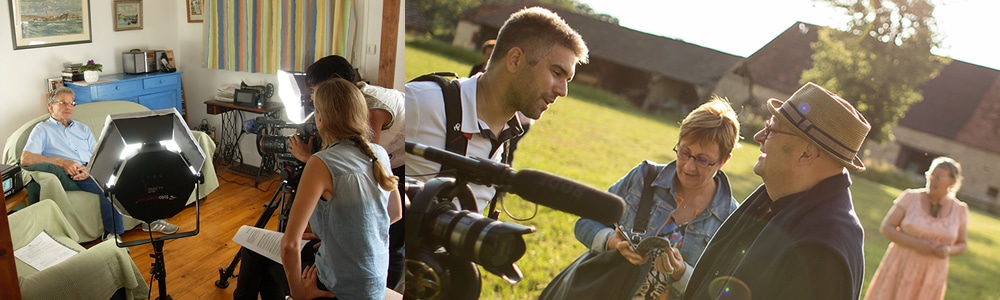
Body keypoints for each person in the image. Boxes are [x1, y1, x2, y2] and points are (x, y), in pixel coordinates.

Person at [685, 82, 871, 299]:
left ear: (807, 153)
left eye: (771, 129)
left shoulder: (821, 250)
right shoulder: (776, 199)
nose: (759, 136)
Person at [406, 6, 589, 212]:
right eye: (556, 72)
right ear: (515, 60)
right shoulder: (422, 101)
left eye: (568, 80)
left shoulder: (504, 137)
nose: (563, 91)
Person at [570, 96, 740, 299]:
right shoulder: (644, 177)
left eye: (703, 160)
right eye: (684, 152)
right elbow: (585, 223)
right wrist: (612, 242)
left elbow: (722, 290)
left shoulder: (731, 217)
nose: (688, 166)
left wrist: (681, 273)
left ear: (723, 161)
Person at [287, 54, 406, 289]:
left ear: (320, 118)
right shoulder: (378, 153)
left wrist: (300, 294)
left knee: (258, 258)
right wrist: (341, 239)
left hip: (340, 286)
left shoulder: (321, 162)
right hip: (373, 284)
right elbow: (395, 213)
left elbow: (289, 245)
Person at [21, 87, 179, 241]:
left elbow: (98, 154)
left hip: (91, 168)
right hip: (72, 174)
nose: (68, 107)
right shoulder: (42, 130)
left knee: (138, 175)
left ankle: (150, 221)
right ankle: (112, 234)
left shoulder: (82, 128)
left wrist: (91, 169)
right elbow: (25, 158)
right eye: (63, 103)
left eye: (71, 103)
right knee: (110, 186)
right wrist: (62, 162)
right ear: (51, 107)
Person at [864, 156, 968, 300]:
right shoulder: (910, 197)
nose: (932, 179)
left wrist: (949, 250)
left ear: (952, 182)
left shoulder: (960, 209)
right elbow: (886, 228)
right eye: (930, 174)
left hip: (933, 273)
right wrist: (915, 244)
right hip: (900, 265)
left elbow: (963, 244)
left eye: (937, 177)